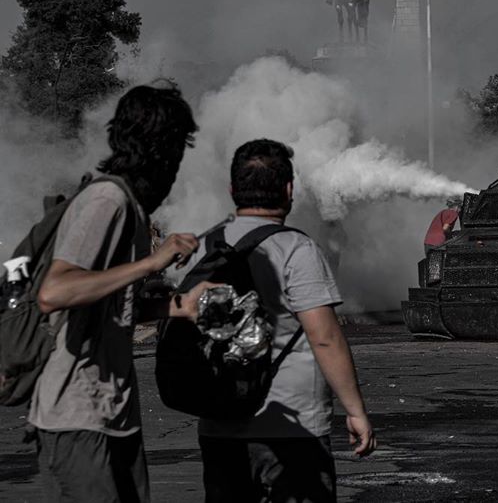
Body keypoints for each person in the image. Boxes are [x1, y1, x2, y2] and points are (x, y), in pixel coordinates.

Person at [31, 83, 207, 503]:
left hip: (112, 413)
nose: (176, 170)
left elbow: (113, 305)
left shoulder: (130, 207)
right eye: (176, 154)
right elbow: (55, 291)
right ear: (159, 152)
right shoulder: (106, 201)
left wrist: (182, 305)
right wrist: (151, 262)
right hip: (76, 416)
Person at [177, 139, 376, 502]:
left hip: (219, 424)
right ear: (289, 190)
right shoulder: (296, 249)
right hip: (291, 429)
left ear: (233, 189)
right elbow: (325, 337)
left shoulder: (205, 247)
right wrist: (355, 410)